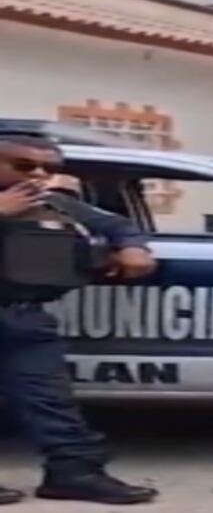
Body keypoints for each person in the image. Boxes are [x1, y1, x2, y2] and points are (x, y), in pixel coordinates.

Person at [0, 134, 159, 506]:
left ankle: (74, 473)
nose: (39, 174)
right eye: (24, 166)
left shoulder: (53, 204)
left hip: (23, 318)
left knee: (51, 400)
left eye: (50, 168)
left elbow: (117, 224)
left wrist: (134, 247)